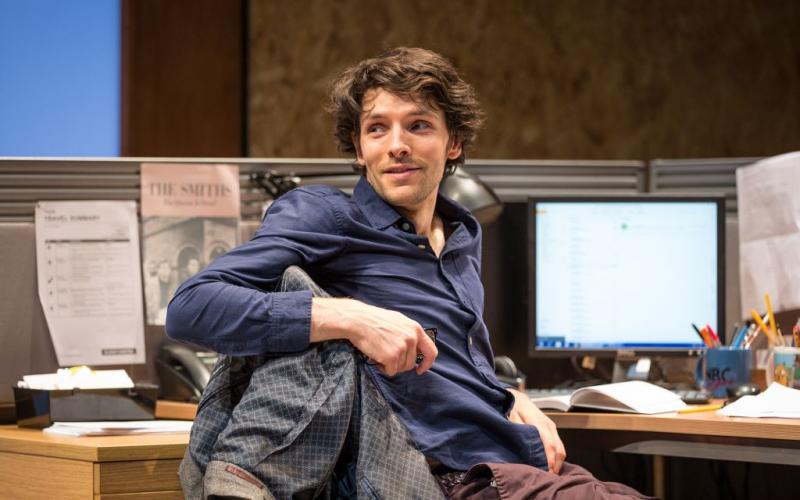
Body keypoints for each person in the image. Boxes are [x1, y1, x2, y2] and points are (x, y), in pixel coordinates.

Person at [167, 47, 651, 499]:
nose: (396, 145)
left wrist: (506, 395)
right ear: (359, 147)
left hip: (516, 454)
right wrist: (349, 316)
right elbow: (191, 307)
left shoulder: (462, 232)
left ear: (453, 142)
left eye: (418, 125)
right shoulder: (327, 217)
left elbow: (454, 360)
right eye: (377, 129)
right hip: (451, 474)